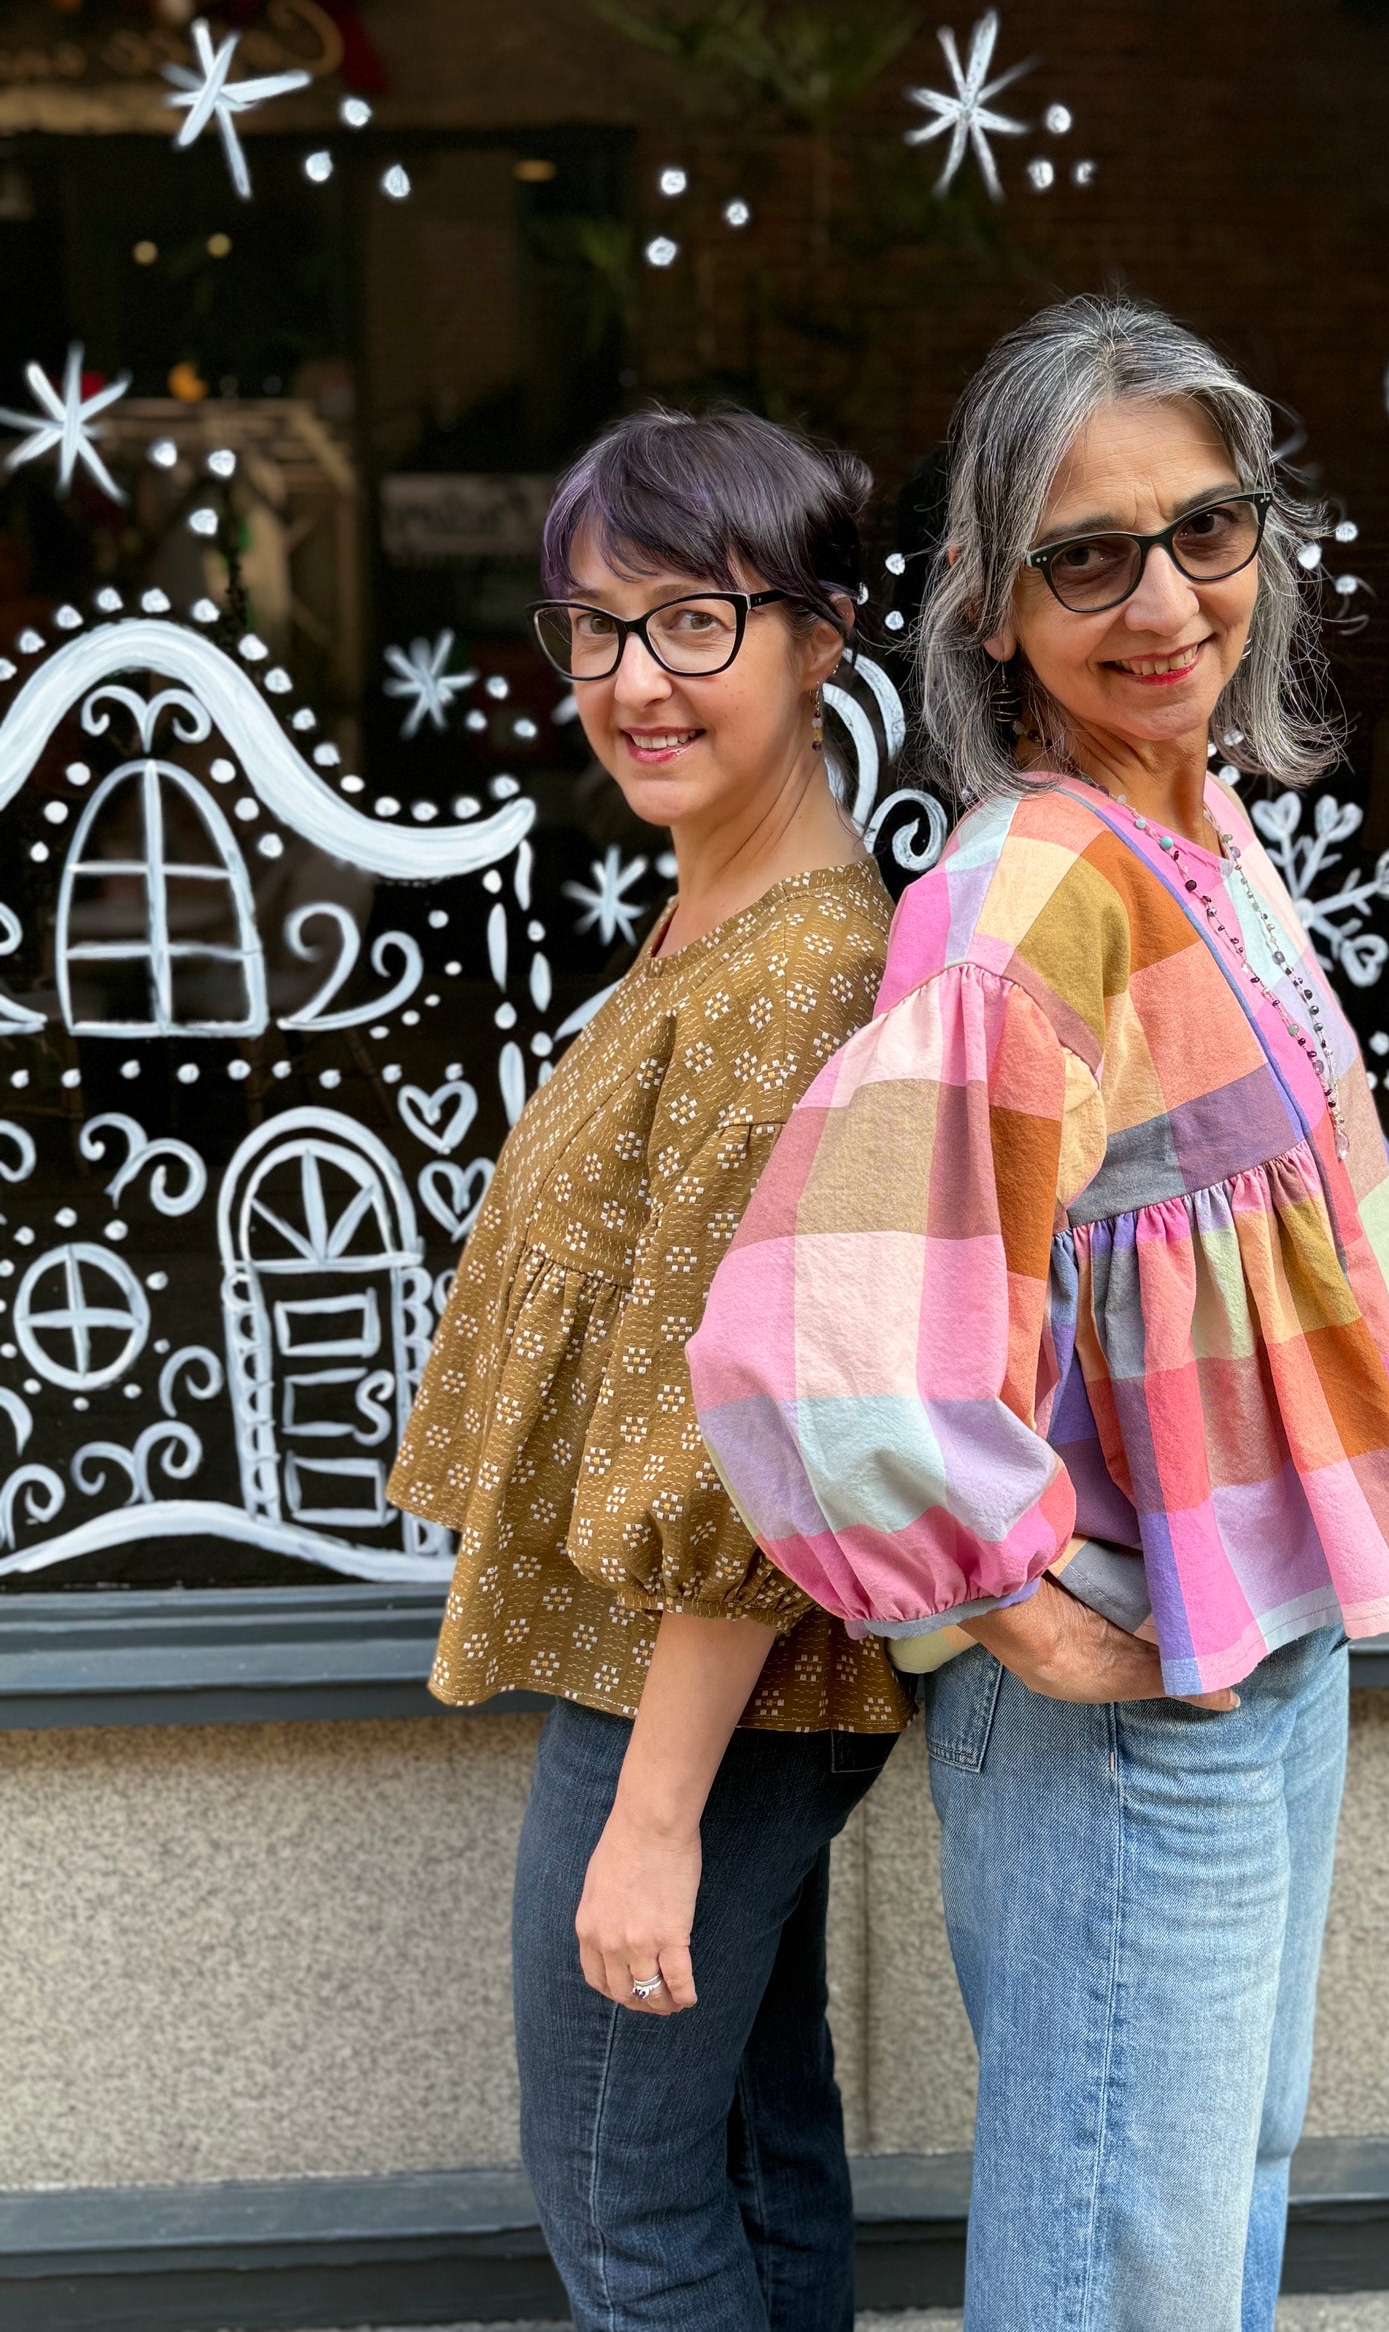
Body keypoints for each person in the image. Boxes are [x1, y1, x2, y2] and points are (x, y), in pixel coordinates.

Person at [690, 298, 1389, 2332]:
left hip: (1260, 1642)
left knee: (1207, 2192)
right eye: (1087, 556)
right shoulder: (1027, 886)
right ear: (990, 606)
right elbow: (820, 1330)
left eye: (1201, 531)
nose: (1162, 598)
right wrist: (1016, 1607)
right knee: (1122, 2245)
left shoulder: (1198, 825)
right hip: (1142, 1693)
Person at [387, 406, 908, 2332]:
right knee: (748, 2163)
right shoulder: (717, 911)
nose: (631, 681)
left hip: (695, 1680)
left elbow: (747, 1426)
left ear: (820, 633)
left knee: (625, 2210)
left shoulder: (793, 969)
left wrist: (657, 1813)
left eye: (693, 622)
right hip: (713, 1678)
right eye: (591, 629)